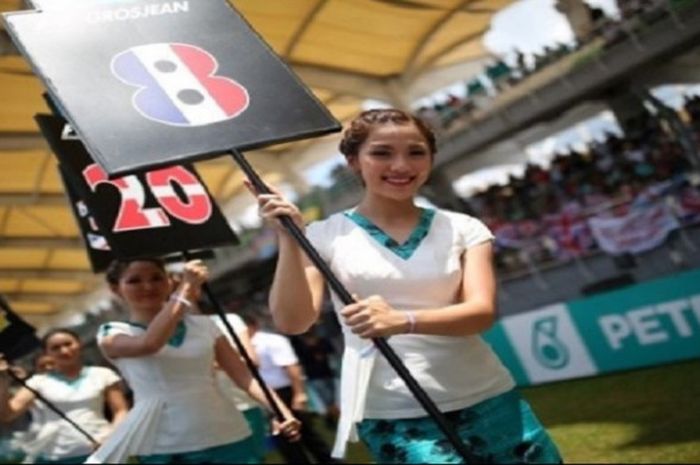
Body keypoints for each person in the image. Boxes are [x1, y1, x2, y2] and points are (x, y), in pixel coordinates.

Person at [249, 108, 563, 463]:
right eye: (382, 153)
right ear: (353, 161)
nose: (401, 166)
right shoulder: (323, 236)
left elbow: (481, 313)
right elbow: (293, 321)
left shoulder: (463, 228)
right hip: (395, 416)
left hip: (489, 397)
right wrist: (290, 239)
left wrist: (403, 320)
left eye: (416, 152)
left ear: (431, 159)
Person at [87, 258, 300, 464]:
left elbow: (244, 375)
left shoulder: (204, 326)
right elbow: (150, 344)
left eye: (156, 278)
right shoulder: (112, 333)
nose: (148, 286)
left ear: (169, 281)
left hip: (226, 432)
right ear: (115, 289)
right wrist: (184, 291)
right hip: (164, 443)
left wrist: (280, 410)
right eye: (134, 280)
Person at [0, 329, 129, 464]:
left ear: (79, 344)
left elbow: (121, 411)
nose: (64, 351)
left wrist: (111, 437)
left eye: (68, 344)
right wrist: (2, 379)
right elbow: (7, 414)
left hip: (102, 450)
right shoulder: (37, 382)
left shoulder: (102, 374)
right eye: (55, 348)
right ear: (46, 353)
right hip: (58, 457)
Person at [245, 314, 336, 464]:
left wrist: (299, 393)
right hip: (265, 395)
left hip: (284, 392)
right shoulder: (245, 345)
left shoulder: (271, 341)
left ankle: (327, 460)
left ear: (252, 325)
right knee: (287, 438)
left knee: (302, 433)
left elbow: (291, 366)